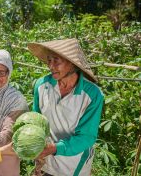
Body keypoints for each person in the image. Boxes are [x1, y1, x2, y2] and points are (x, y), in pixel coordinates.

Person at [27, 39, 104, 176]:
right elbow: (36, 120)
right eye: (49, 61)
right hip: (45, 161)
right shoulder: (41, 85)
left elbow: (86, 137)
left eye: (56, 61)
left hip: (73, 166)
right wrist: (35, 145)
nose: (51, 66)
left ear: (72, 64)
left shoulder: (92, 94)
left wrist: (54, 148)